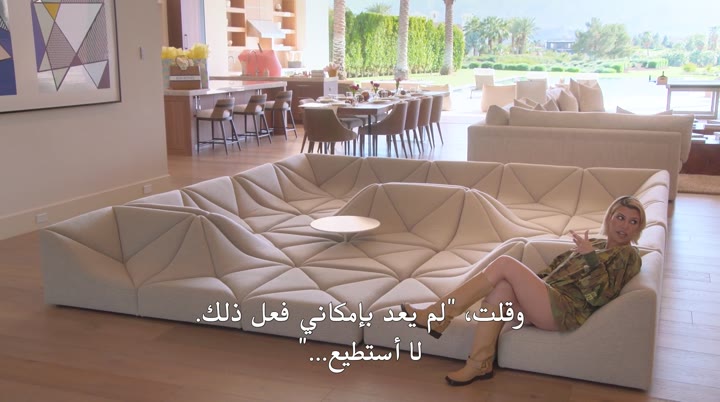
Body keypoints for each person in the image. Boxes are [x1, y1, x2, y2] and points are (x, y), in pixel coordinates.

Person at [402, 195, 647, 386]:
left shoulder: (629, 256)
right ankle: (479, 364)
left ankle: (438, 315)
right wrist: (529, 287)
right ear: (609, 218)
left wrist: (590, 258)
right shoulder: (594, 243)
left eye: (633, 222)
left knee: (505, 264)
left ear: (638, 229)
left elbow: (602, 296)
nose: (625, 225)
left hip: (565, 310)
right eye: (620, 217)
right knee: (502, 288)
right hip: (548, 299)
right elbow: (555, 270)